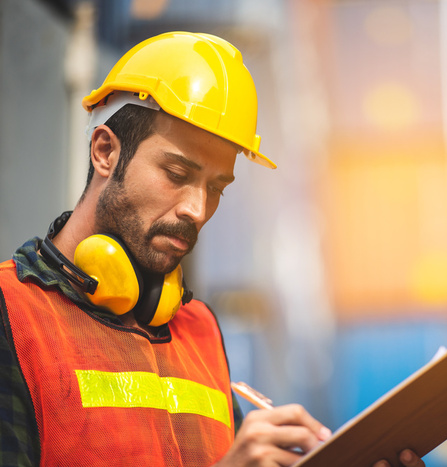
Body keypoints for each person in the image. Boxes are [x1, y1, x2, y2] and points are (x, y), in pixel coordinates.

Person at [0, 31, 425, 467]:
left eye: (216, 187)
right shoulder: (12, 314)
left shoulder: (198, 329)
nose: (197, 209)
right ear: (105, 151)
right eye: (177, 173)